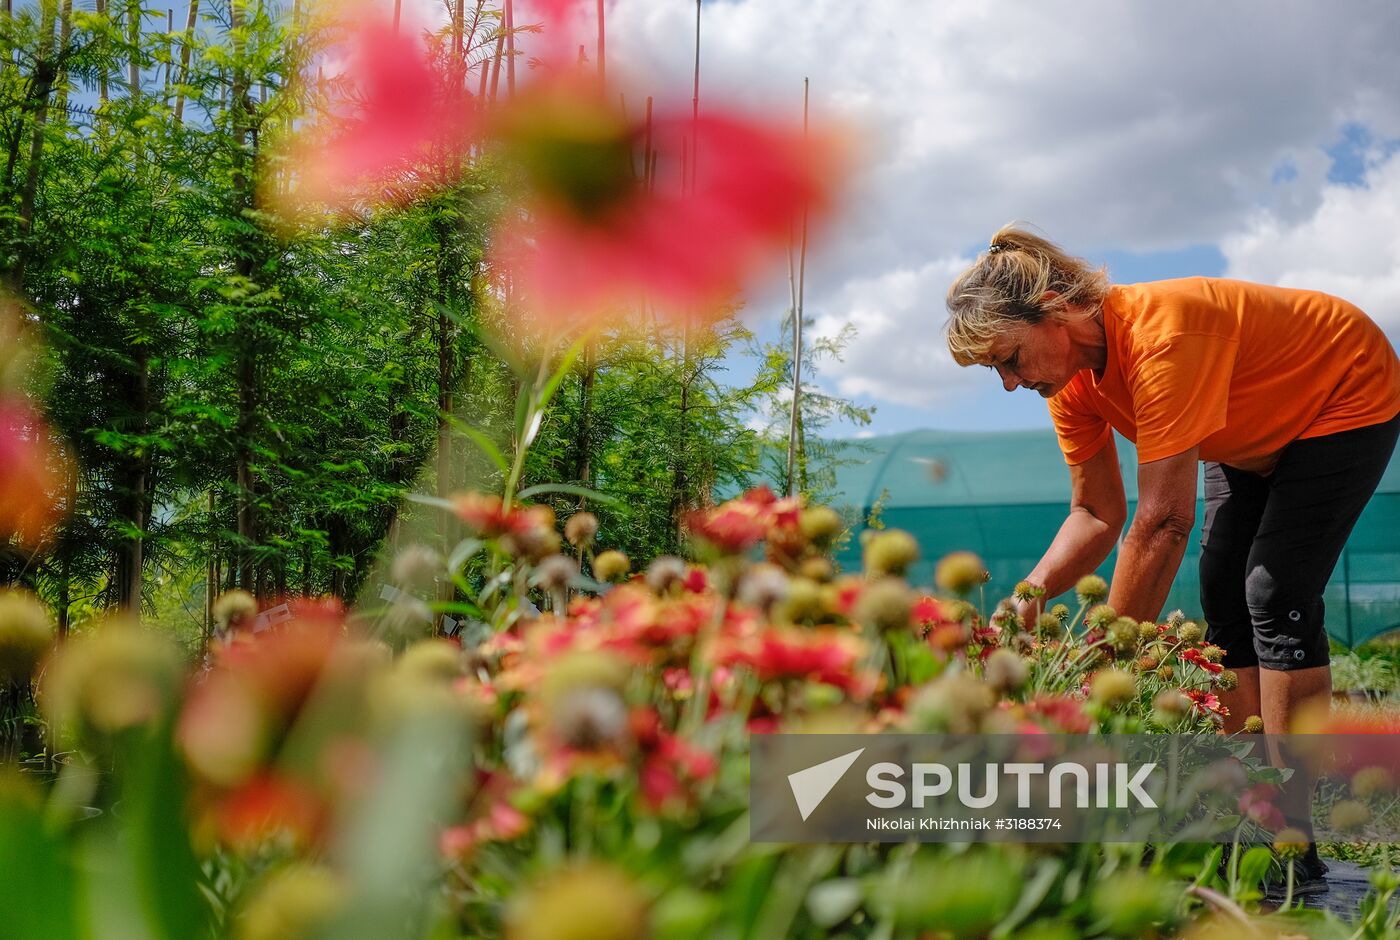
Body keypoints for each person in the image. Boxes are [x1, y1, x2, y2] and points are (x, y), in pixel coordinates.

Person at [944, 224, 1400, 736]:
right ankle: (1247, 789)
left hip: (1342, 389)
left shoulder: (1160, 338)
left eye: (1009, 358)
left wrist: (1100, 664)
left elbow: (1164, 521)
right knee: (1223, 594)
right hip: (1243, 432)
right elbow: (1095, 513)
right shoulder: (1068, 385)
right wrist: (1030, 595)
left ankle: (1295, 805)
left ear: (1054, 310)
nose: (1008, 383)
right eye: (993, 370)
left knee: (1276, 593)